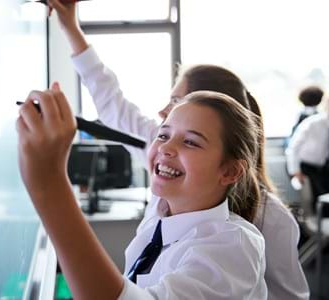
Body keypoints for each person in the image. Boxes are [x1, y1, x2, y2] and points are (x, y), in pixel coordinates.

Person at [47, 1, 310, 298]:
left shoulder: (255, 227)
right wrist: (70, 26)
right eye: (164, 133)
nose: (163, 113)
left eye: (176, 102)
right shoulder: (165, 187)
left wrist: (48, 182)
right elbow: (113, 105)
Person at [17, 84, 266, 298]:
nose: (166, 148)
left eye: (190, 141)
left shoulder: (234, 247)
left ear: (230, 172)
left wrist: (48, 184)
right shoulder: (161, 210)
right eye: (163, 135)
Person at [286, 93, 329, 215]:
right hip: (306, 166)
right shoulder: (312, 123)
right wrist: (295, 171)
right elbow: (292, 148)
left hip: (325, 167)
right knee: (320, 199)